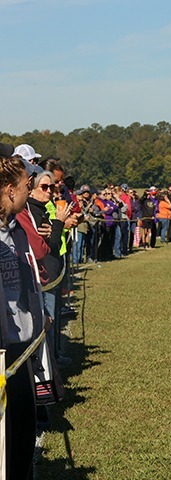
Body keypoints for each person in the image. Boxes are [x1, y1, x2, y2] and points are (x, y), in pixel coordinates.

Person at [0, 149, 46, 480]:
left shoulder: (16, 227)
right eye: (25, 184)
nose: (30, 189)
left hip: (22, 346)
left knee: (23, 433)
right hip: (3, 349)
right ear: (9, 189)